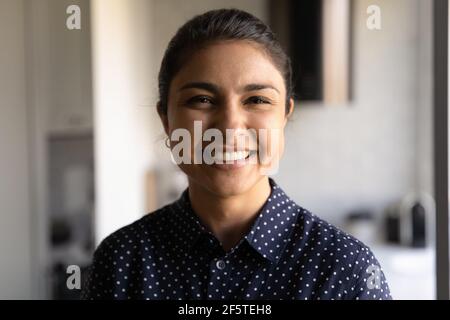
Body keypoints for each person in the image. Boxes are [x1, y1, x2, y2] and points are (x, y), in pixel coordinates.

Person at [82, 8, 391, 300]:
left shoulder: (347, 271)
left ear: (284, 115)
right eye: (202, 99)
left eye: (256, 100)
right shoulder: (120, 263)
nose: (230, 126)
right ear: (166, 119)